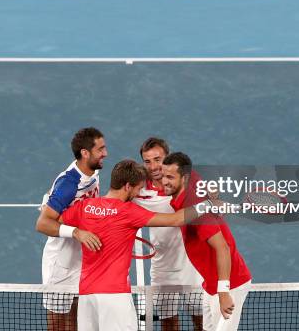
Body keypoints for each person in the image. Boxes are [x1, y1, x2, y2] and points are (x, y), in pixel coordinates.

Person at [36, 159, 216, 331]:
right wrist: (207, 203)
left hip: (87, 297)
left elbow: (52, 220)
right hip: (116, 299)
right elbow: (176, 219)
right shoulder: (129, 212)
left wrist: (76, 231)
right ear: (127, 186)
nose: (138, 194)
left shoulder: (85, 207)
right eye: (138, 189)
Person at [163, 152, 252, 331]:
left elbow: (223, 248)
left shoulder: (196, 210)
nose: (164, 181)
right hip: (211, 283)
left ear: (184, 178)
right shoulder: (187, 189)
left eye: (170, 177)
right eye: (164, 175)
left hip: (230, 282)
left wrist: (224, 291)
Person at [38, 127, 108, 331]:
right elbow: (42, 223)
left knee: (77, 314)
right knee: (57, 323)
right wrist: (77, 232)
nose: (105, 153)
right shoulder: (69, 183)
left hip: (82, 255)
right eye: (100, 149)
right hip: (61, 263)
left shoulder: (93, 172)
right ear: (85, 153)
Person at [134, 137, 203, 330]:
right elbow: (114, 203)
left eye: (158, 159)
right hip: (162, 265)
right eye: (147, 161)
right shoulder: (138, 189)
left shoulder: (186, 179)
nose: (154, 166)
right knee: (168, 321)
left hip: (194, 264)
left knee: (201, 320)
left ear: (167, 157)